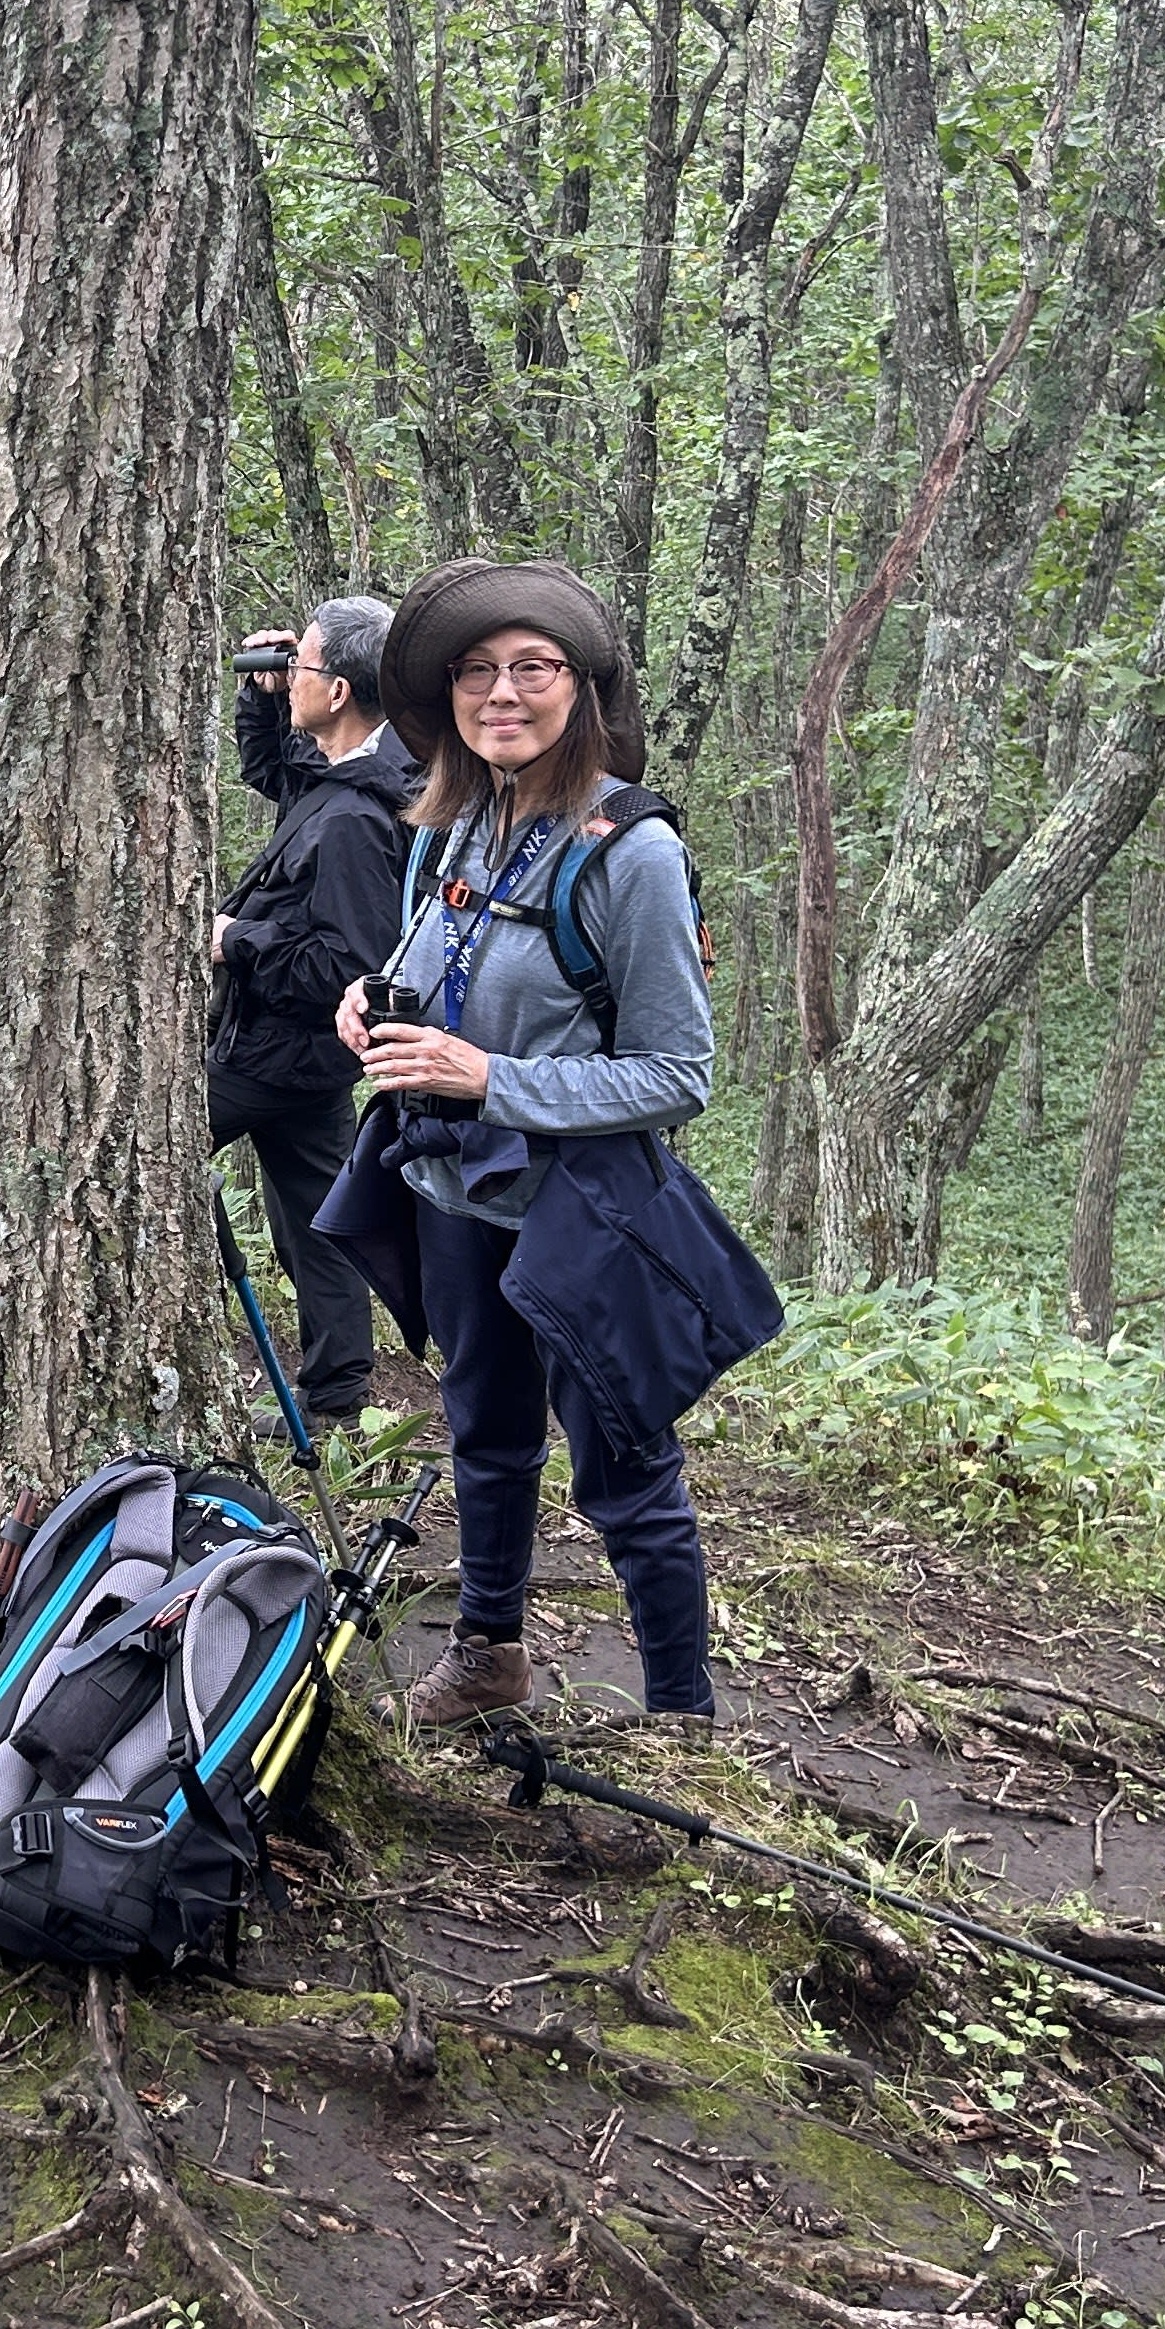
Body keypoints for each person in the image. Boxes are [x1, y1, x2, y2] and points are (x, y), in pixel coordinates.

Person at [326, 558, 722, 1726]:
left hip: (581, 1211)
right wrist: (371, 998)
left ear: (582, 688)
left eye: (533, 668)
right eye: (478, 671)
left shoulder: (630, 853)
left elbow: (677, 1073)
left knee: (627, 1474)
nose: (502, 692)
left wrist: (491, 1077)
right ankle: (489, 1654)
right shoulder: (452, 829)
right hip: (456, 1191)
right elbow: (430, 970)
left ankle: (683, 1719)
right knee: (483, 1431)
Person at [211, 599, 416, 1436]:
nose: (291, 677)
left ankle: (331, 1393)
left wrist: (237, 942)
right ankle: (336, 1397)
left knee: (135, 1148)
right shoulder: (355, 768)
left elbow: (349, 966)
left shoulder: (360, 822)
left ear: (336, 691)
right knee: (316, 1218)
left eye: (303, 668)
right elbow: (279, 773)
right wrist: (261, 696)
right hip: (305, 1061)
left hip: (270, 1054)